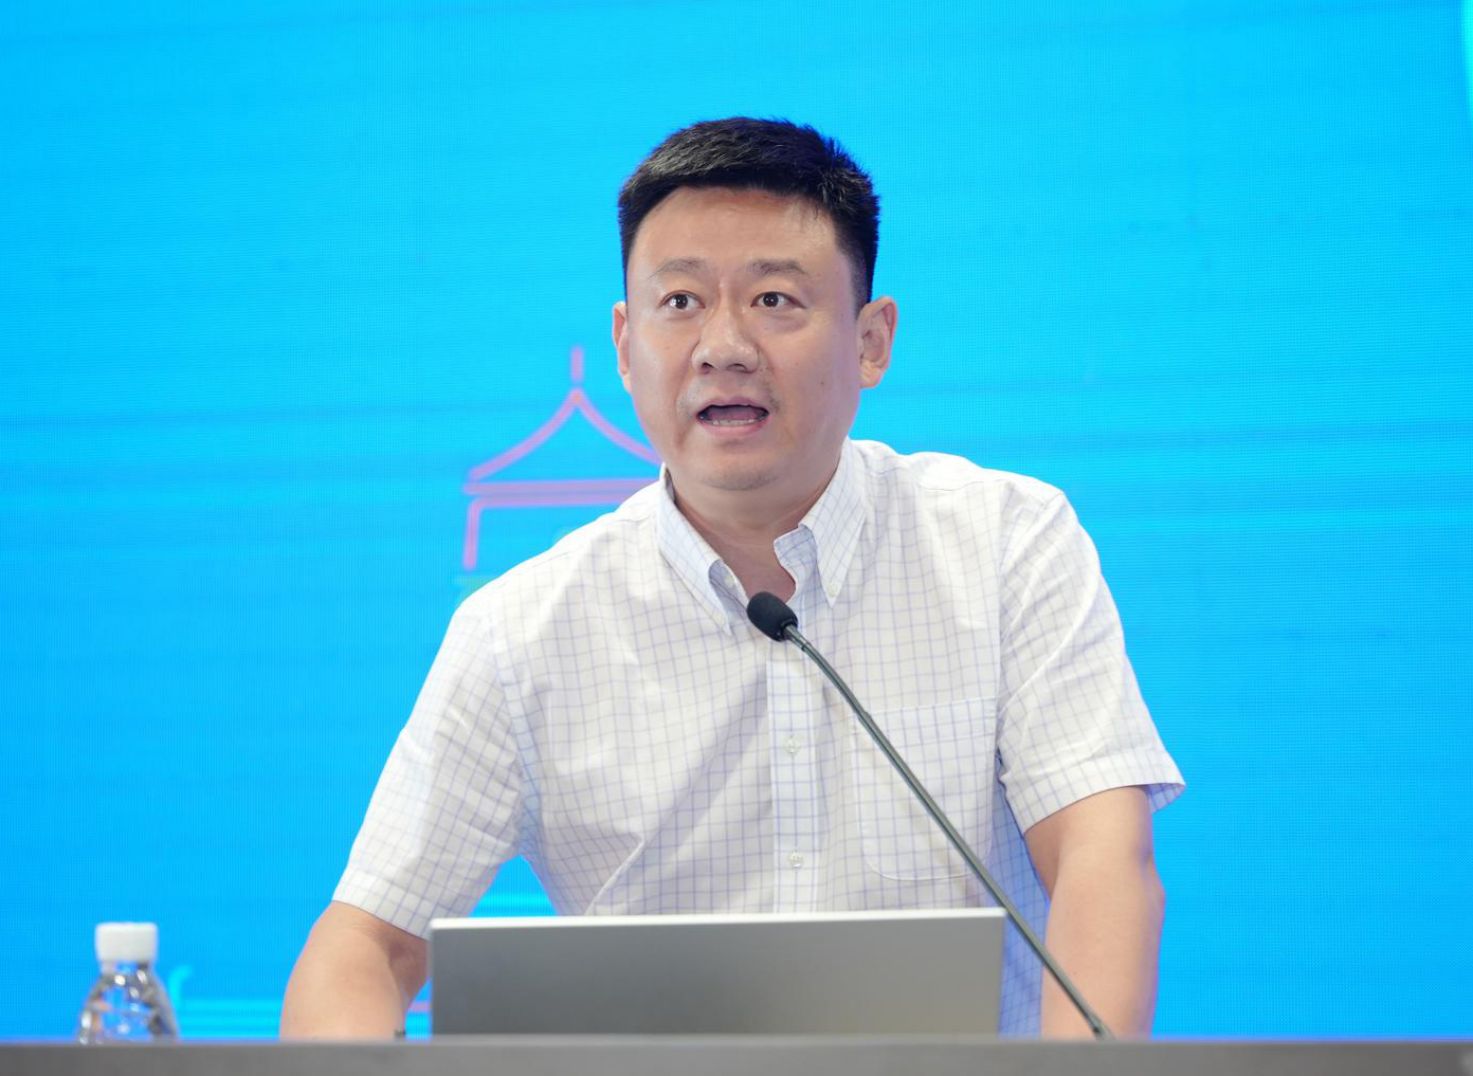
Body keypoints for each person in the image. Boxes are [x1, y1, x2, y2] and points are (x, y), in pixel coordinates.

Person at [280, 117, 1184, 1040]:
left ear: (872, 341)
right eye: (679, 302)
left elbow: (1101, 860)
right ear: (625, 345)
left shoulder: (1005, 544)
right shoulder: (521, 630)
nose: (723, 345)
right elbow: (365, 947)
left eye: (774, 299)